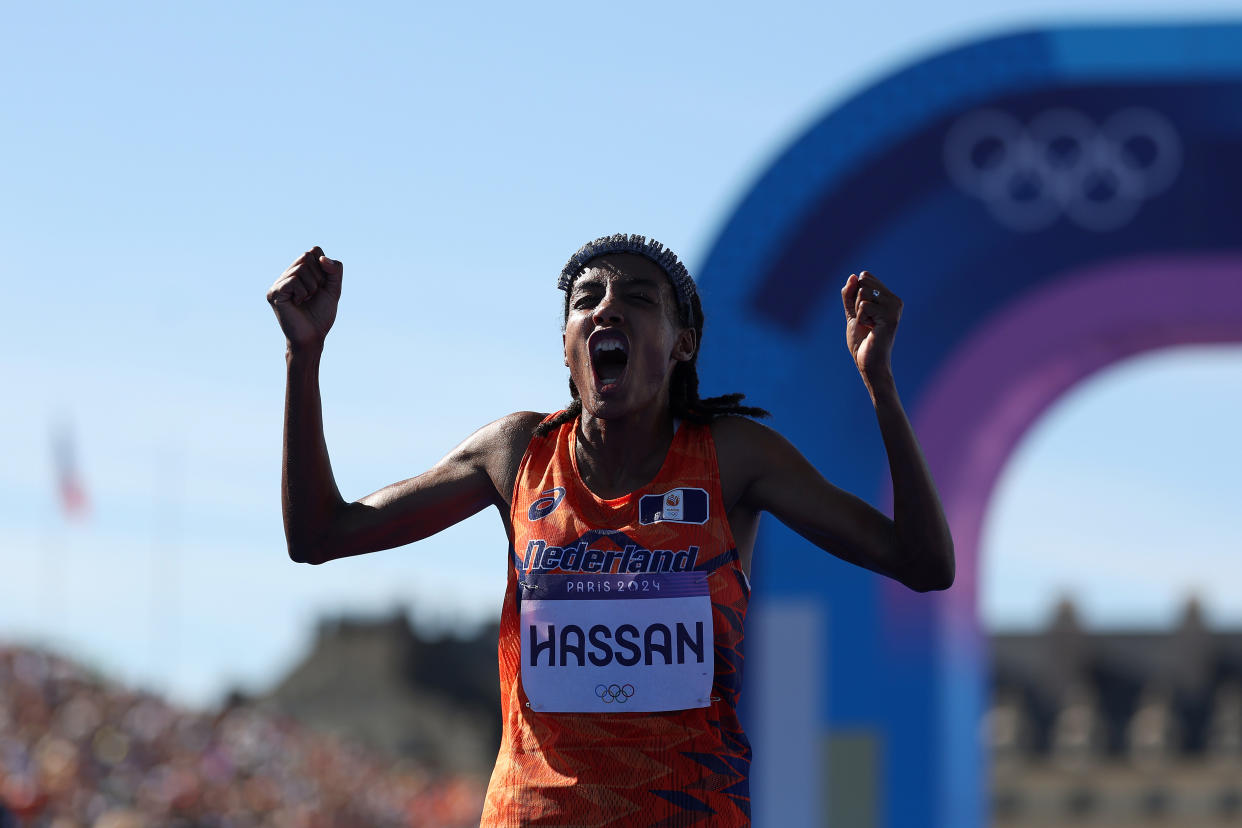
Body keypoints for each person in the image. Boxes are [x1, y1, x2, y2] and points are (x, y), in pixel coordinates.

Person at [266, 233, 954, 827]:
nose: (606, 308)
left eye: (638, 298)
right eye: (585, 299)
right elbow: (320, 535)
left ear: (683, 343)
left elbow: (924, 563)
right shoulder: (517, 453)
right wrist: (304, 355)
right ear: (567, 347)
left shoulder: (734, 457)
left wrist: (881, 387)